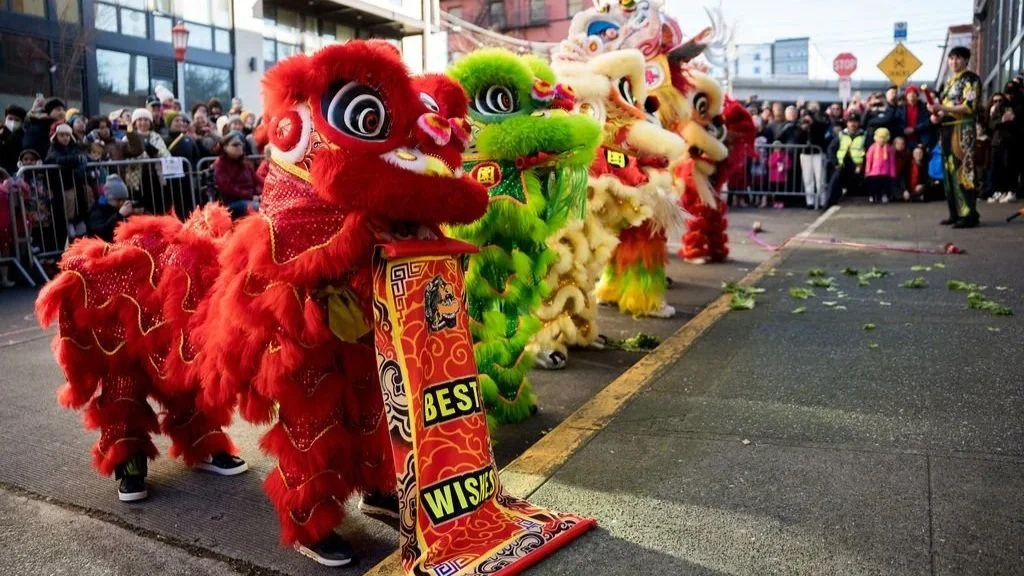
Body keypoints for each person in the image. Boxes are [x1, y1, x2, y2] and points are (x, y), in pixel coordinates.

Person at [930, 46, 982, 228]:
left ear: (966, 60)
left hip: (962, 129)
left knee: (963, 170)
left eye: (958, 58)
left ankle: (969, 214)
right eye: (951, 59)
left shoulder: (971, 79)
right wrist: (937, 115)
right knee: (948, 170)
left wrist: (942, 109)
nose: (954, 62)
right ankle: (955, 212)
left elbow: (969, 107)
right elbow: (943, 107)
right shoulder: (948, 82)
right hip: (946, 129)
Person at [46, 122, 91, 241]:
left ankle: (80, 220)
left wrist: (87, 159)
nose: (65, 138)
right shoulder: (53, 149)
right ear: (56, 136)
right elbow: (55, 159)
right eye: (62, 135)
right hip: (62, 185)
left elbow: (83, 156)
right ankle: (69, 223)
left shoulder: (74, 148)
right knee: (68, 203)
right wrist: (75, 159)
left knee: (82, 198)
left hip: (76, 182)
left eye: (67, 135)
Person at [212, 131, 260, 219]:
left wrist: (262, 193)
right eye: (235, 145)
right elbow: (228, 189)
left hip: (249, 199)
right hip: (231, 203)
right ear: (225, 148)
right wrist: (250, 196)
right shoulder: (220, 165)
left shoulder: (244, 163)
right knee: (259, 208)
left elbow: (257, 181)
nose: (240, 147)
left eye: (241, 144)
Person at [826, 112, 866, 206]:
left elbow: (868, 152)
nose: (853, 124)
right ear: (847, 123)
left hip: (857, 167)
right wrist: (835, 162)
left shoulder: (864, 135)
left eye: (855, 122)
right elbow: (831, 149)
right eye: (850, 122)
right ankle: (828, 204)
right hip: (841, 165)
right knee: (835, 179)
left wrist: (862, 165)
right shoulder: (841, 135)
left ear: (859, 123)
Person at [987, 93, 1019, 203]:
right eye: (995, 101)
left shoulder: (1011, 108)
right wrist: (1002, 120)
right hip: (996, 142)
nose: (997, 103)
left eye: (1000, 100)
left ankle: (1009, 191)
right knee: (996, 168)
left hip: (1008, 142)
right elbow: (991, 124)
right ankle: (998, 191)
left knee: (1008, 167)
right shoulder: (994, 110)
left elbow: (1015, 124)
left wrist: (1010, 119)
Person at [85, 174, 134, 242]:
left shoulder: (116, 209)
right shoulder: (97, 211)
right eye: (121, 200)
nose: (122, 203)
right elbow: (101, 233)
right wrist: (119, 215)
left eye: (124, 200)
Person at [797, 108, 829, 209]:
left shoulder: (818, 125)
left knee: (820, 179)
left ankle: (822, 201)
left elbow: (821, 134)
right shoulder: (800, 127)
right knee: (808, 179)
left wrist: (812, 125)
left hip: (818, 153)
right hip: (806, 154)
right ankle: (809, 201)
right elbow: (798, 139)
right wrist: (803, 129)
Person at [864, 127, 896, 204]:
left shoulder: (889, 148)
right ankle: (872, 196)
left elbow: (892, 161)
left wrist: (893, 172)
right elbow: (869, 159)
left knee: (885, 185)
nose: (881, 140)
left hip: (885, 172)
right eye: (880, 138)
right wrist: (867, 170)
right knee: (873, 185)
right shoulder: (872, 147)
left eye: (883, 138)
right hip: (874, 172)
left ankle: (884, 195)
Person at [1, 104, 26, 175]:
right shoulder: (1, 133)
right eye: (10, 118)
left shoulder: (24, 136)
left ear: (22, 122)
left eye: (17, 120)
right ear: (5, 118)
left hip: (17, 173)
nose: (13, 122)